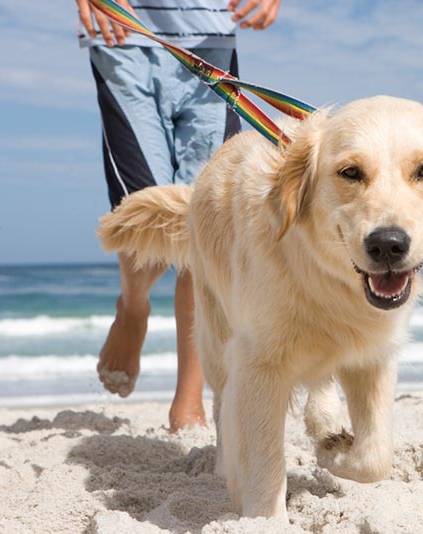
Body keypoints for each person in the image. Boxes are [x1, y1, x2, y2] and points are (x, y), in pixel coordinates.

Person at [75, 0, 282, 431]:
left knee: (200, 217)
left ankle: (188, 402)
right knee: (143, 214)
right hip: (124, 35)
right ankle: (133, 308)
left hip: (211, 43)